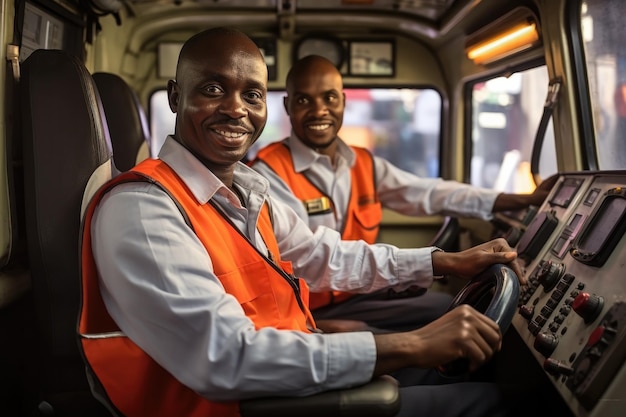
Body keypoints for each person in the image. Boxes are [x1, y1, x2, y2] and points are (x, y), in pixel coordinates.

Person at [79, 27, 527, 417]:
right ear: (176, 96)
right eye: (213, 89)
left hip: (283, 374)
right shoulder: (142, 208)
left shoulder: (243, 193)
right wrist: (412, 345)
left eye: (252, 95)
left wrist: (443, 263)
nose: (236, 109)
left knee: (469, 371)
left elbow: (320, 255)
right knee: (498, 404)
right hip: (242, 407)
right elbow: (226, 357)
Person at [250, 54, 557, 332]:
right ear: (288, 106)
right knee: (442, 324)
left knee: (448, 307)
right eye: (304, 100)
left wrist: (523, 199)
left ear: (343, 101)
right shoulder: (268, 173)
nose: (319, 110)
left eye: (329, 97)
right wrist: (441, 261)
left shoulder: (362, 163)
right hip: (301, 309)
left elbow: (430, 193)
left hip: (353, 295)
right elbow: (315, 258)